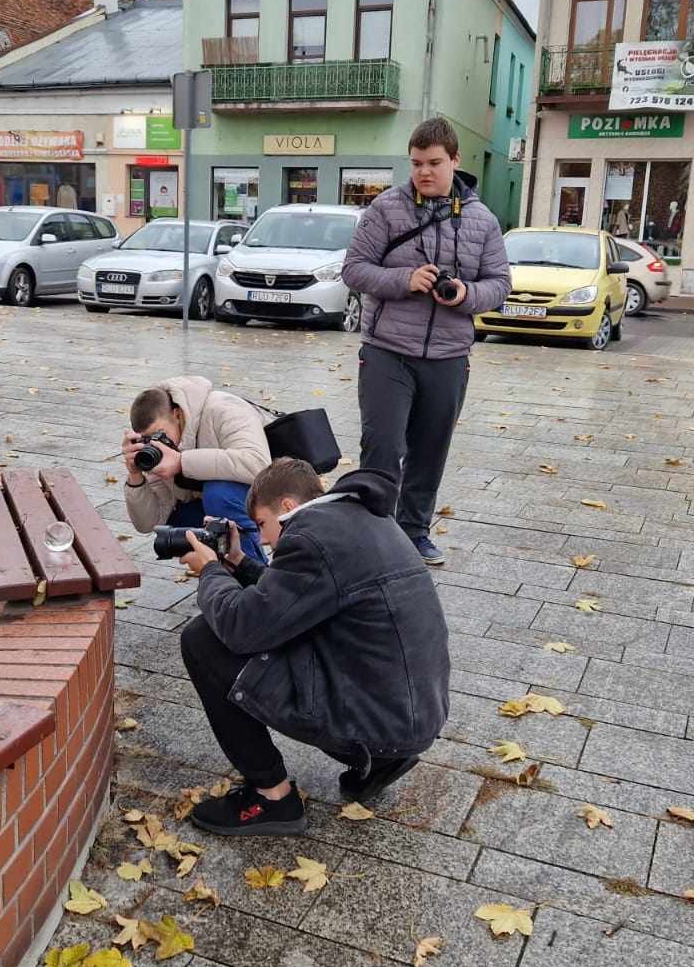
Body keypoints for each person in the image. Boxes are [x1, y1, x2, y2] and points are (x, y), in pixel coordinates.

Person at [178, 458, 450, 836]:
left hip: (381, 721)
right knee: (274, 632)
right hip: (407, 712)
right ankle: (384, 761)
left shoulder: (310, 539)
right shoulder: (357, 519)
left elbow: (242, 629)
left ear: (287, 507)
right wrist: (239, 563)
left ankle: (271, 796)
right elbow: (297, 600)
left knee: (203, 638)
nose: (265, 541)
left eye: (261, 526)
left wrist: (210, 571)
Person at [341, 117, 511, 566]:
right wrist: (404, 279)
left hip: (448, 357)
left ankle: (413, 534)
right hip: (387, 352)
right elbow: (354, 269)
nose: (424, 172)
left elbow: (500, 283)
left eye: (434, 163)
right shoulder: (386, 209)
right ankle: (373, 536)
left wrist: (465, 294)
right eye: (416, 163)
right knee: (383, 446)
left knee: (429, 450)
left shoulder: (482, 220)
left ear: (455, 160)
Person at [121, 377, 270, 564]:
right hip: (223, 503)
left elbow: (259, 464)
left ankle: (257, 579)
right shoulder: (159, 449)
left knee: (218, 494)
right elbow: (149, 523)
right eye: (148, 439)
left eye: (161, 433)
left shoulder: (224, 409)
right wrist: (135, 476)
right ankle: (225, 575)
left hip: (274, 490)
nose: (156, 443)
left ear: (177, 414)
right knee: (178, 523)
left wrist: (181, 462)